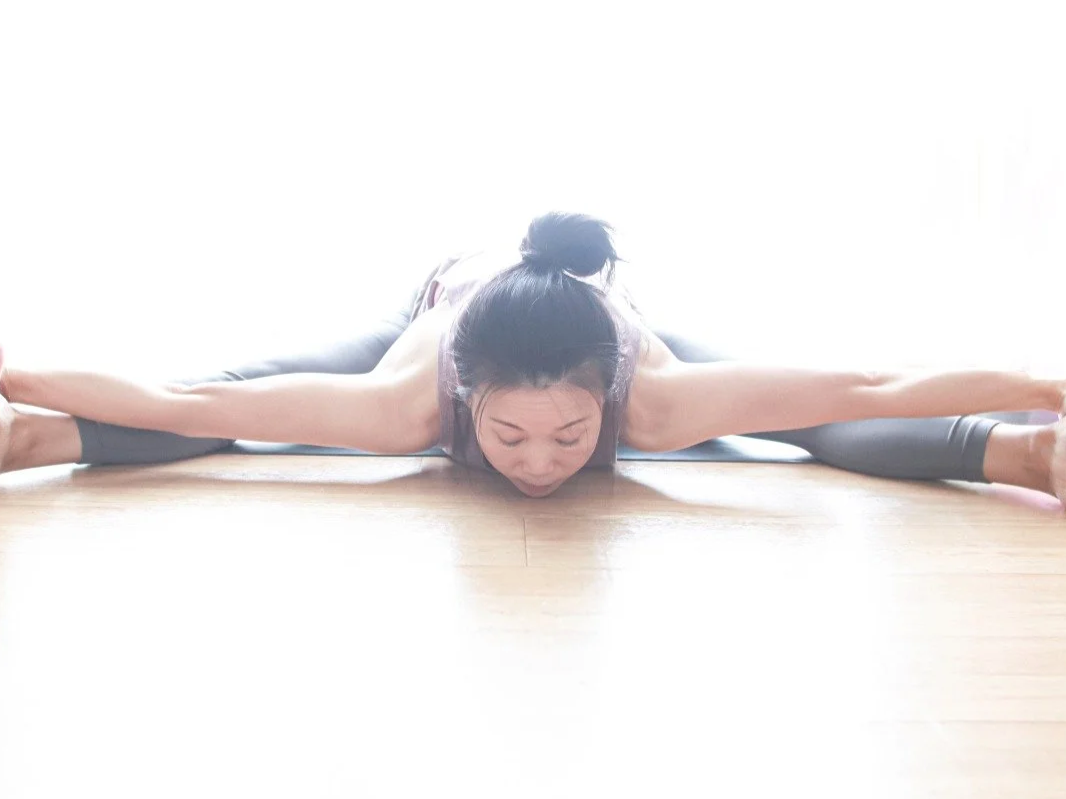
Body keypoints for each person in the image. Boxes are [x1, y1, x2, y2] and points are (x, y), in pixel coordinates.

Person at [1, 212, 1063, 503]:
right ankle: (32, 436)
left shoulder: (655, 396)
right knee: (233, 405)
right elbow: (175, 402)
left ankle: (1024, 455)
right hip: (435, 310)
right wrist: (22, 378)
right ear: (469, 401)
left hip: (599, 326)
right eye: (508, 435)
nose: (540, 461)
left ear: (607, 397)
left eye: (568, 434)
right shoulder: (407, 400)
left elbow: (866, 387)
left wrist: (1044, 389)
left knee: (813, 424)